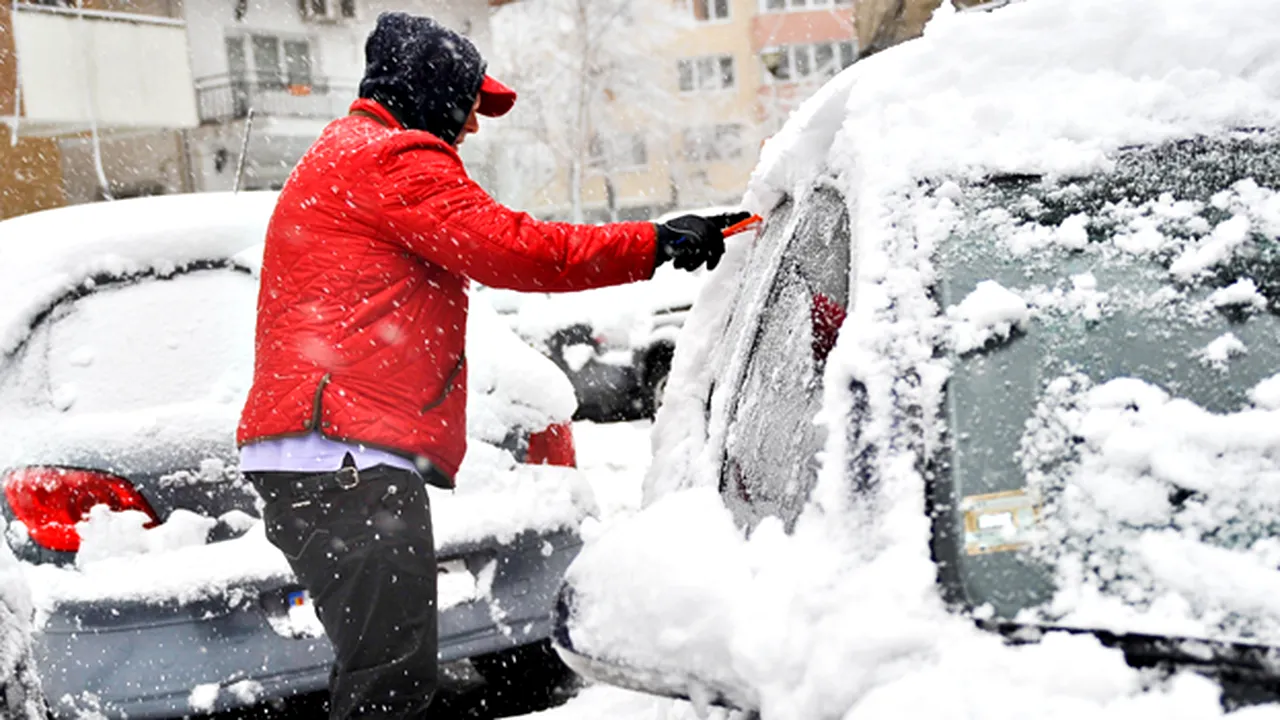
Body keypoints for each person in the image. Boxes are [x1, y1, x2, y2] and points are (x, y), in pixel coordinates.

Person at [235, 11, 748, 720]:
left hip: (323, 456)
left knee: (384, 671)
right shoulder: (390, 159)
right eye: (467, 104)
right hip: (342, 458)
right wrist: (654, 242)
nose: (473, 126)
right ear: (428, 92)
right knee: (389, 686)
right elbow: (520, 250)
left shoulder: (345, 153)